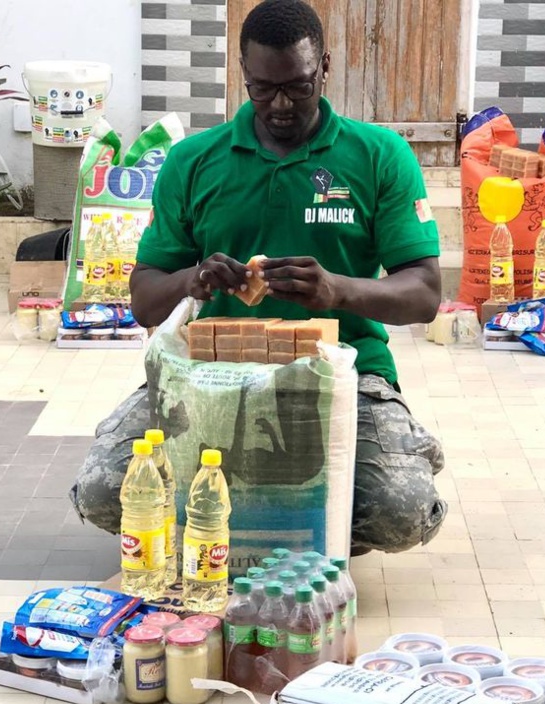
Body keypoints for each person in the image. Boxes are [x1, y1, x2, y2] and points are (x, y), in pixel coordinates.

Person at [70, 0, 446, 555]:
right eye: (262, 88)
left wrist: (336, 290)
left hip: (345, 377)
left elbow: (425, 294)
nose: (281, 105)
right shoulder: (195, 161)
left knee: (402, 514)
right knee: (103, 494)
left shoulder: (378, 156)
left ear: (324, 69)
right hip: (206, 378)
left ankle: (357, 477)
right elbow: (146, 303)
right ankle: (258, 513)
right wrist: (192, 279)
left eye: (297, 86)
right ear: (243, 76)